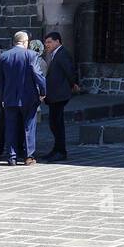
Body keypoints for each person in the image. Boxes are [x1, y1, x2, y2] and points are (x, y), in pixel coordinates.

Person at [0, 31, 47, 166]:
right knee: (29, 126)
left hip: (9, 97)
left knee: (10, 126)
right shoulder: (31, 55)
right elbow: (37, 74)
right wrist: (43, 91)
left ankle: (11, 156)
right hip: (28, 97)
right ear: (25, 42)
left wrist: (4, 91)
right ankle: (28, 156)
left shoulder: (4, 56)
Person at [41, 31, 79, 161]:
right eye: (46, 42)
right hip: (55, 95)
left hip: (59, 95)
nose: (47, 45)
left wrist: (73, 84)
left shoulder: (62, 54)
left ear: (58, 41)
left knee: (57, 124)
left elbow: (70, 71)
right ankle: (56, 149)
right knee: (54, 123)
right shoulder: (55, 54)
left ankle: (61, 151)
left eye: (49, 42)